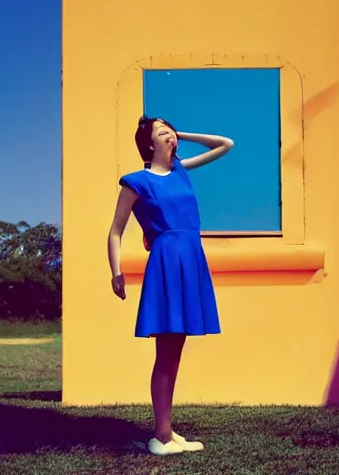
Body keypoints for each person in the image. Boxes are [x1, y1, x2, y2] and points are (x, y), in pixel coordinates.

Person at [107, 116, 234, 456]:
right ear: (148, 144)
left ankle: (167, 431)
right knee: (165, 352)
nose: (171, 138)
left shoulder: (181, 170)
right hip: (166, 261)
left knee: (175, 351)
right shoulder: (136, 182)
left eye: (171, 133)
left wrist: (181, 132)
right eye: (162, 133)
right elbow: (115, 230)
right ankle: (161, 436)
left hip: (191, 258)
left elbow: (225, 144)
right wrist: (115, 272)